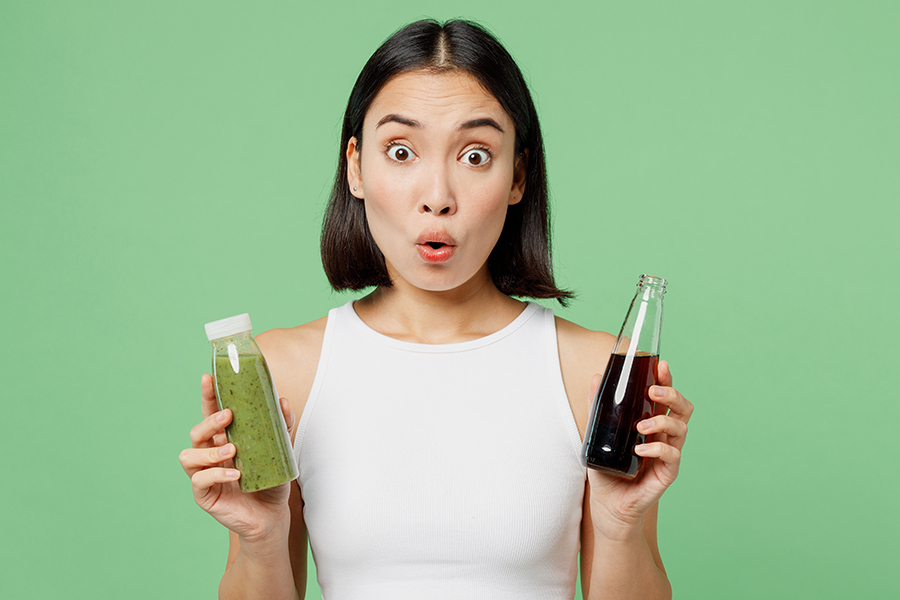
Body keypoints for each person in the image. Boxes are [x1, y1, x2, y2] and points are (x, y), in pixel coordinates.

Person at [179, 19, 692, 600]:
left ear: (518, 176)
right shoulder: (281, 370)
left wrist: (621, 527)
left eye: (475, 155)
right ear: (356, 167)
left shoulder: (598, 371)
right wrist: (258, 538)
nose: (438, 196)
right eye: (401, 151)